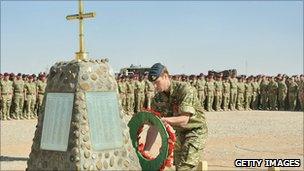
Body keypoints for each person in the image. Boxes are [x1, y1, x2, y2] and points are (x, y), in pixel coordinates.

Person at [143, 63, 208, 170]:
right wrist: (146, 149)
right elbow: (153, 127)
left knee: (185, 167)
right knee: (178, 166)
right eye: (153, 83)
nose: (154, 86)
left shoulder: (185, 90)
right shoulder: (157, 99)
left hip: (195, 131)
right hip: (179, 133)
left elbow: (184, 120)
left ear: (165, 76)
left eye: (157, 82)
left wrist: (163, 120)